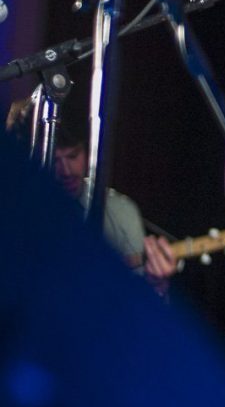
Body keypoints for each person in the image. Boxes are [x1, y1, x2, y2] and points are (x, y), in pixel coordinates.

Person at [6, 101, 177, 294]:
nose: (67, 171)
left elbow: (139, 310)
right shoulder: (12, 214)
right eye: (54, 160)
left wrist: (157, 285)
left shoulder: (118, 211)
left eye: (73, 156)